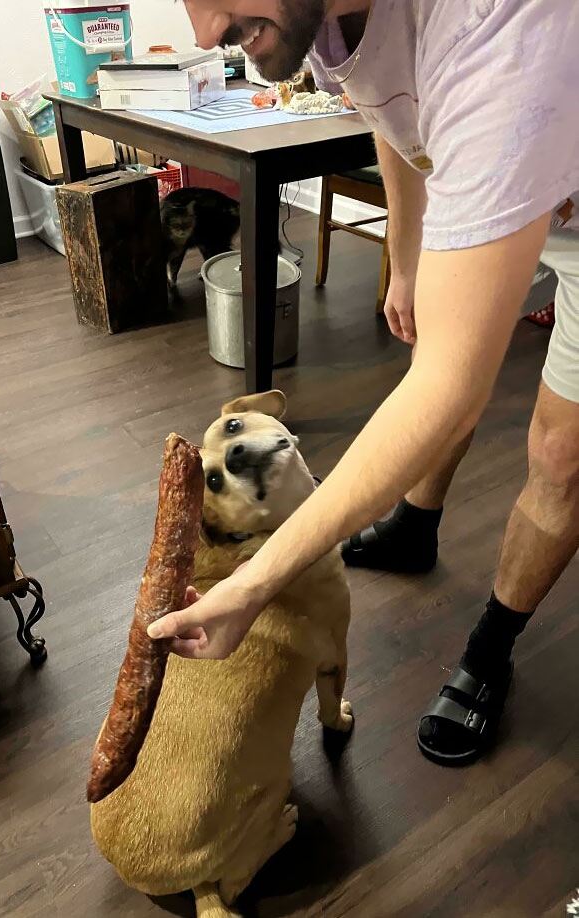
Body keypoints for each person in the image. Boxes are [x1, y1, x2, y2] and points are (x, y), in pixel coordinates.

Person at [149, 0, 579, 764]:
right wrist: (405, 255)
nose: (205, 34)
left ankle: (492, 646)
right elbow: (391, 109)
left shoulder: (501, 31)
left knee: (558, 453)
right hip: (509, 176)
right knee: (441, 348)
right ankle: (415, 527)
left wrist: (253, 584)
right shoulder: (317, 17)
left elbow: (448, 388)